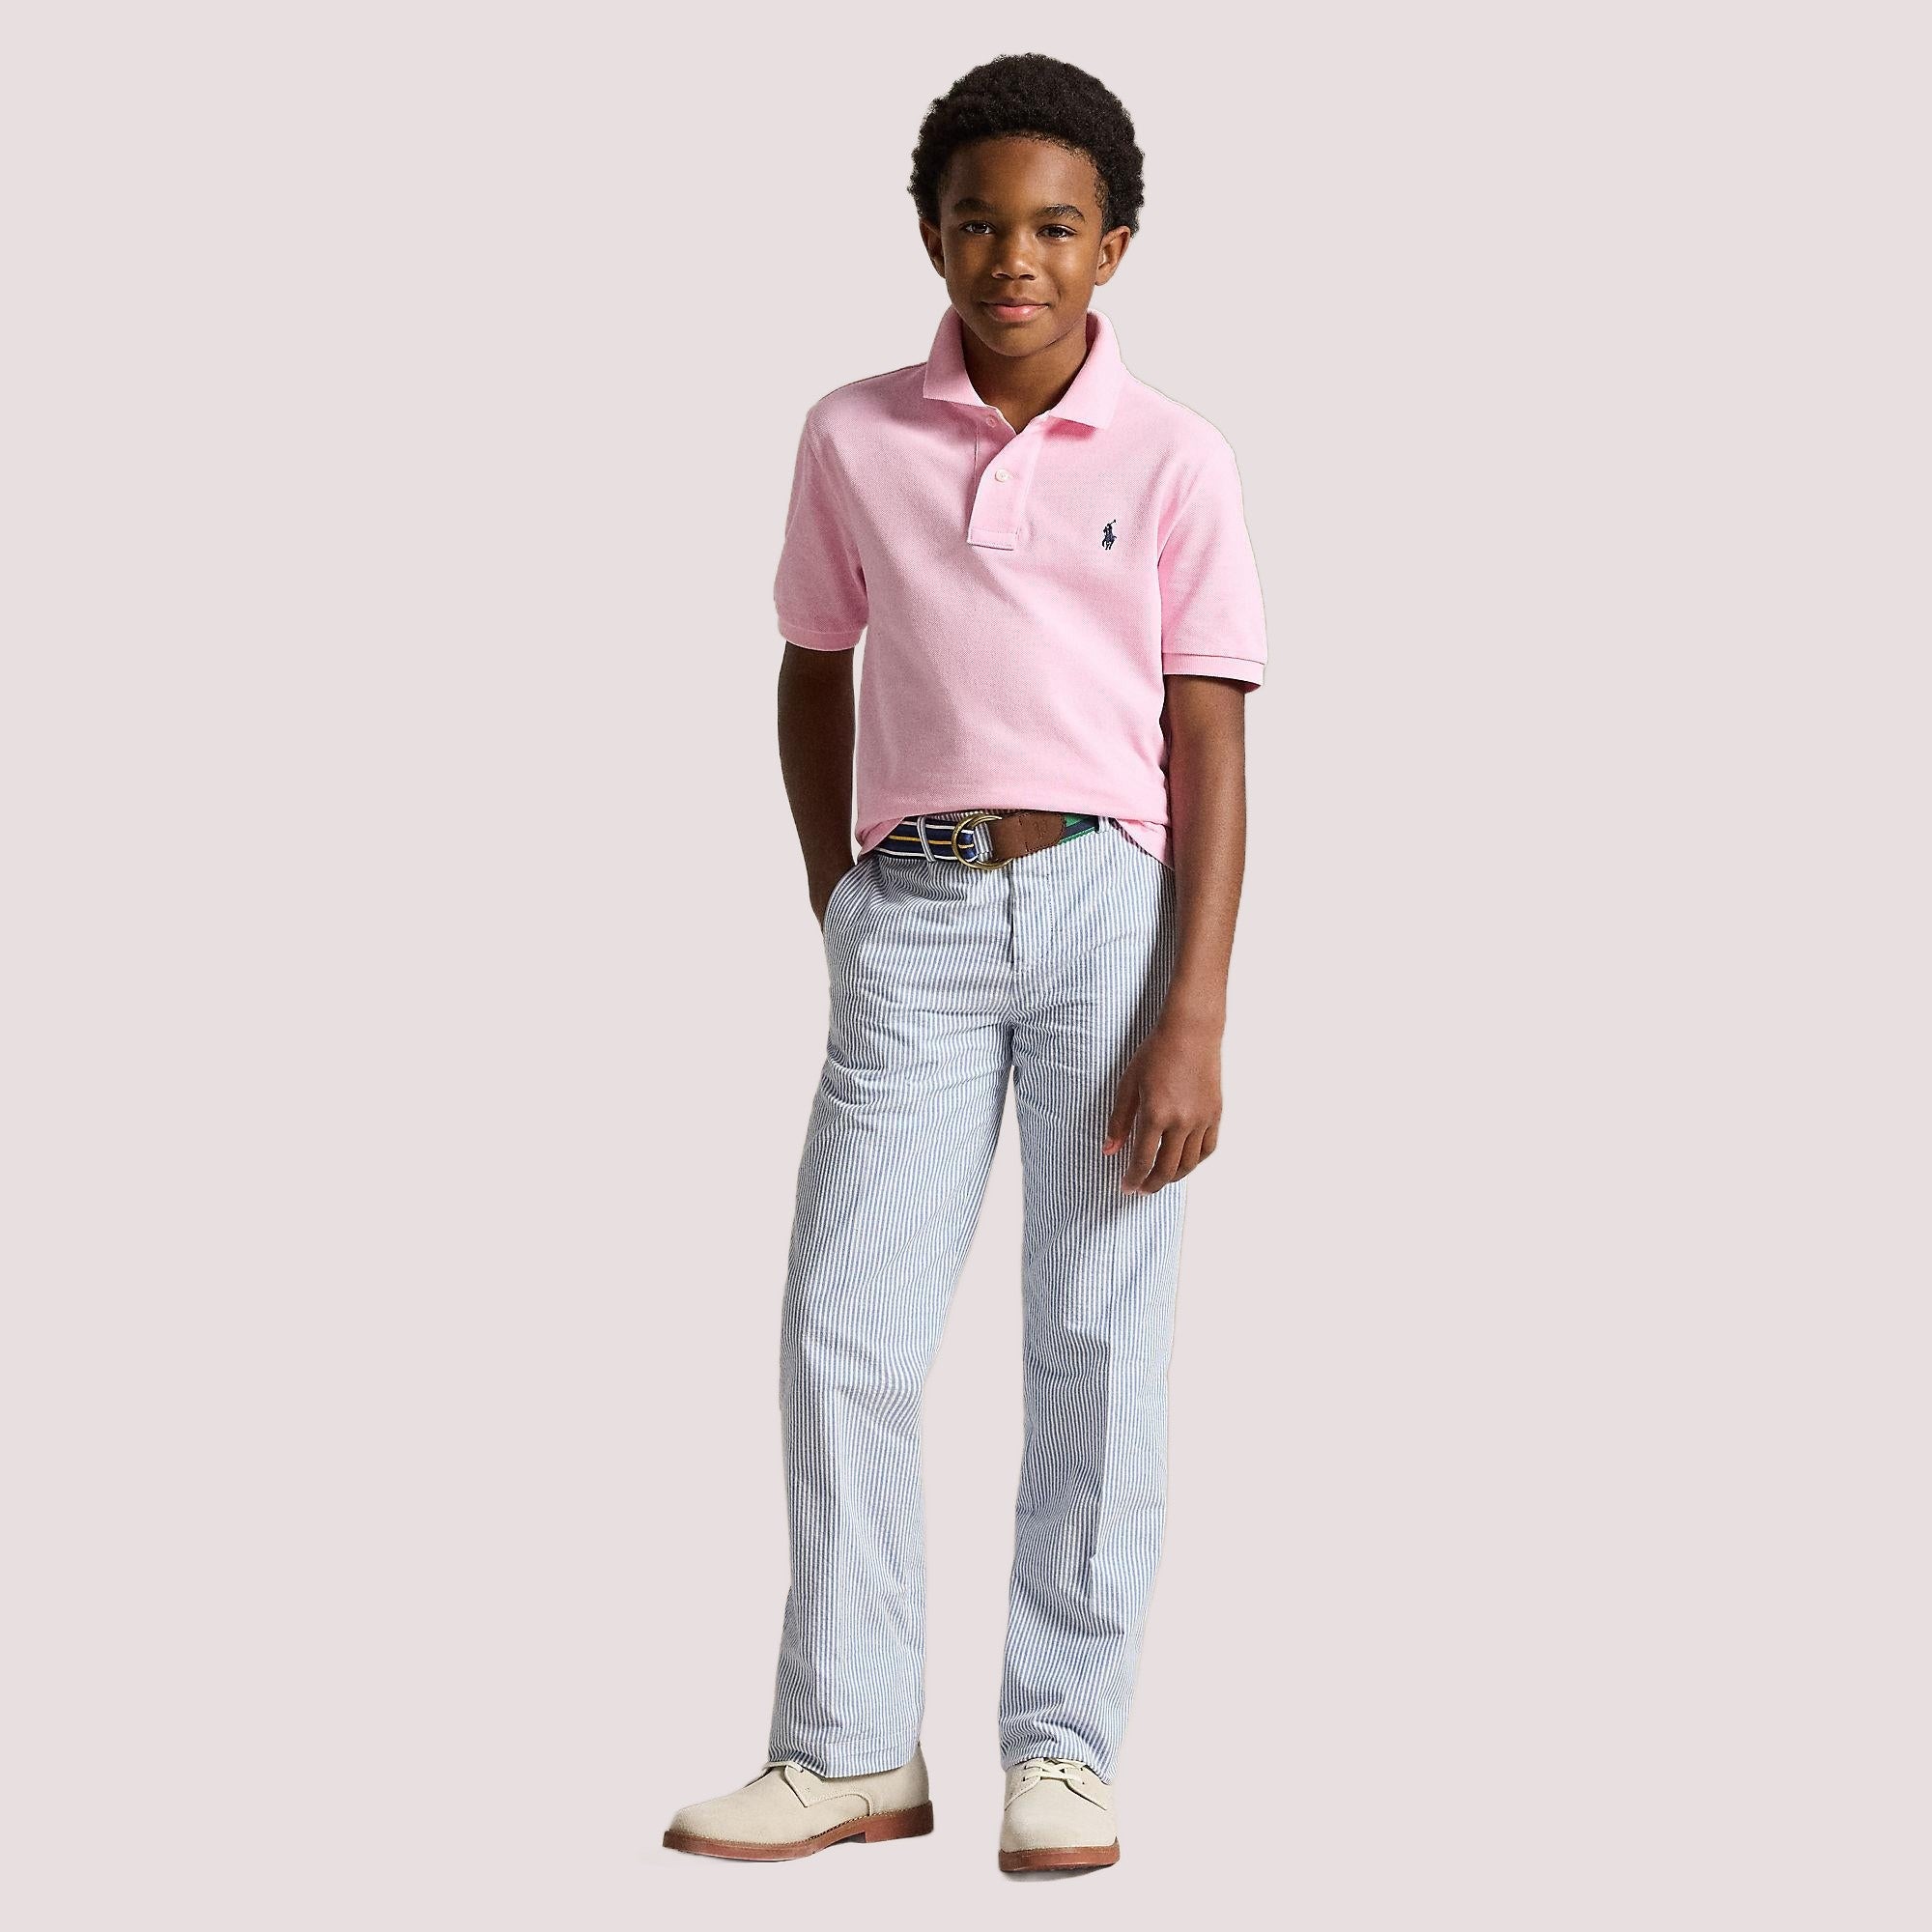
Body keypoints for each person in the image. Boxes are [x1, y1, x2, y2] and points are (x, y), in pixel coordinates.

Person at [663, 52, 1266, 1874]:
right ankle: (851, 1747)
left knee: (1098, 1337)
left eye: (1057, 227)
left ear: (1115, 246)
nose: (1017, 257)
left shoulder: (1175, 456)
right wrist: (840, 894)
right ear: (930, 235)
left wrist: (1194, 1010)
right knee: (840, 1334)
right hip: (912, 918)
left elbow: (1212, 737)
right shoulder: (853, 435)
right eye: (981, 224)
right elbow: (811, 662)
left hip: (1107, 909)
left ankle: (1063, 1748)